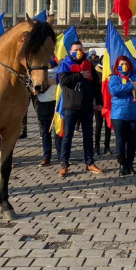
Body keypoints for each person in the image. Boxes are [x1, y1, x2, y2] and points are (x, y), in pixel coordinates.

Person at [57, 41, 104, 177]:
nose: (78, 51)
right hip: (70, 107)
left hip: (87, 107)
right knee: (67, 137)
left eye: (81, 49)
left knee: (88, 136)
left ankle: (90, 163)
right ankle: (64, 165)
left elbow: (96, 84)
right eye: (76, 49)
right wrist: (80, 75)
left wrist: (99, 101)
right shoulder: (65, 64)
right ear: (70, 51)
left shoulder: (89, 64)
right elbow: (63, 81)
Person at [109, 55, 136, 176]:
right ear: (117, 66)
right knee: (120, 140)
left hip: (134, 114)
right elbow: (114, 91)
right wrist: (130, 86)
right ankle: (122, 164)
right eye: (121, 64)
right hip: (118, 115)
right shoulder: (114, 78)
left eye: (125, 64)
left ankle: (130, 162)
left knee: (132, 140)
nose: (123, 66)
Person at [36, 65, 58, 167]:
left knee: (59, 130)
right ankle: (46, 157)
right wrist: (47, 83)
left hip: (58, 102)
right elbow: (34, 87)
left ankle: (62, 155)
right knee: (46, 132)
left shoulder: (60, 65)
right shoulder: (39, 68)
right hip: (43, 102)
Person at [93, 60, 111, 155]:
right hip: (98, 103)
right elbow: (93, 89)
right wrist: (96, 103)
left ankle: (107, 146)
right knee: (98, 125)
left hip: (108, 102)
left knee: (108, 125)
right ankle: (97, 146)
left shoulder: (110, 72)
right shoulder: (95, 73)